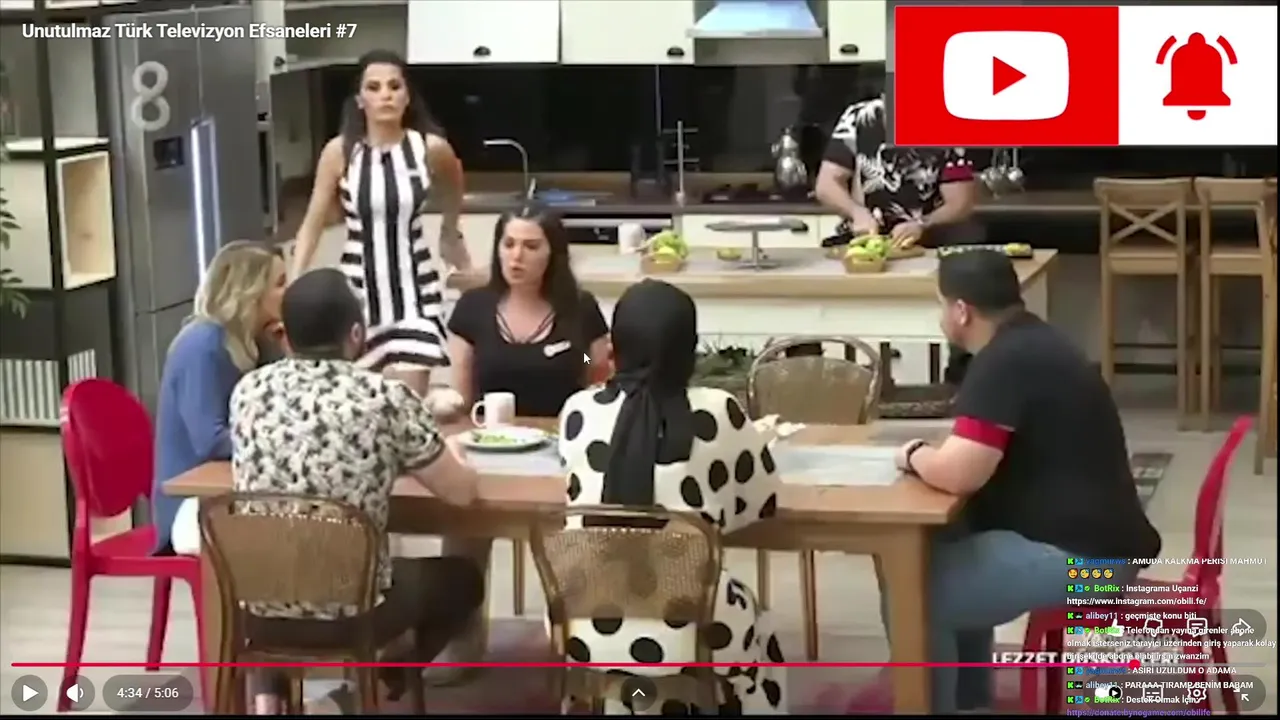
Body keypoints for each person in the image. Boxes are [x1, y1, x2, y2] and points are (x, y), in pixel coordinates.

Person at [888, 250, 1161, 714]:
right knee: (946, 544)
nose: (941, 316)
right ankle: (969, 702)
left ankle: (942, 704)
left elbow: (959, 473)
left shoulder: (1003, 361)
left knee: (913, 593)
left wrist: (912, 454)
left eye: (941, 304)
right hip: (1105, 546)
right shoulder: (1035, 341)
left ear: (961, 310)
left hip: (1090, 565)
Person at [229, 268, 486, 713]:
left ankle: (278, 699)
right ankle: (383, 682)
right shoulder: (384, 397)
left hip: (258, 610)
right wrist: (455, 452)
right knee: (464, 580)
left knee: (284, 554)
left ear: (285, 335)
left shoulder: (247, 392)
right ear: (356, 334)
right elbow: (462, 493)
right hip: (354, 615)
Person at [557, 280, 788, 715]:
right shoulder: (718, 410)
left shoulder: (578, 411)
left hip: (585, 617)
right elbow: (763, 502)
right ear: (689, 348)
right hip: (694, 620)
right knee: (756, 623)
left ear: (616, 347)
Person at [288, 49, 470, 397]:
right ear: (360, 100)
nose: (385, 95)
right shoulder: (340, 152)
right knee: (362, 401)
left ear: (407, 96)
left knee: (408, 404)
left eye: (394, 86)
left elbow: (454, 180)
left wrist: (450, 229)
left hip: (416, 291)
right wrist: (295, 285)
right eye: (374, 87)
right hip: (358, 292)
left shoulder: (429, 148)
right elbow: (311, 224)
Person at [815, 93, 981, 384]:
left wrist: (922, 223)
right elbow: (826, 184)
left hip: (930, 244)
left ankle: (953, 389)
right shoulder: (859, 118)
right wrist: (857, 212)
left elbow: (961, 201)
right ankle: (843, 386)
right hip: (863, 242)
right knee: (821, 312)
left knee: (959, 316)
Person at [153, 241, 286, 556]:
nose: (289, 292)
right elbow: (210, 441)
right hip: (191, 505)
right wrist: (280, 443)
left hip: (236, 488)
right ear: (250, 292)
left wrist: (286, 349)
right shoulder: (202, 345)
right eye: (280, 284)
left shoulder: (254, 341)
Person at [448, 204, 611, 417]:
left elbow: (591, 365)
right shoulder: (472, 307)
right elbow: (461, 399)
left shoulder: (580, 307)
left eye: (531, 247)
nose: (516, 256)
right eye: (508, 244)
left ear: (553, 253)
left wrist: (582, 357)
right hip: (491, 432)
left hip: (561, 431)